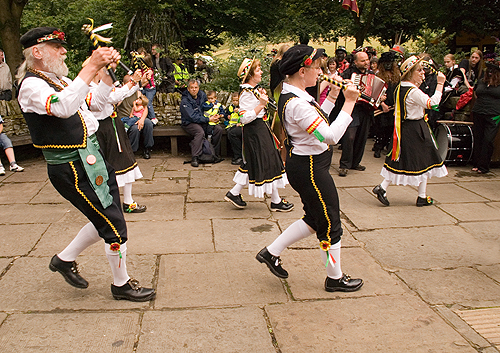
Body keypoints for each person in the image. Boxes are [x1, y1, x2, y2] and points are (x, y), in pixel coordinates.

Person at [16, 26, 155, 301]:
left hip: (92, 159)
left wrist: (102, 75)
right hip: (70, 167)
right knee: (113, 224)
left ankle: (64, 260)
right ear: (37, 52)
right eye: (57, 46)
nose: (64, 50)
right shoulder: (31, 85)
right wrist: (90, 66)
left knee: (107, 215)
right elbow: (62, 107)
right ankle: (121, 285)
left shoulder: (60, 80)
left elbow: (95, 104)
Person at [255, 44, 363, 292]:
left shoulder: (296, 96)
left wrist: (334, 97)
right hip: (311, 169)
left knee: (315, 219)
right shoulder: (297, 103)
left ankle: (271, 252)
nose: (320, 72)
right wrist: (349, 103)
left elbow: (316, 125)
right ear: (302, 71)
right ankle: (334, 278)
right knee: (331, 223)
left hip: (309, 165)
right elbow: (329, 136)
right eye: (316, 67)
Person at [372, 55, 448, 207]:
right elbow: (432, 104)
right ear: (409, 73)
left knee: (414, 160)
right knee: (422, 160)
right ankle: (414, 194)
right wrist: (440, 84)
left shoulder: (402, 87)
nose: (422, 73)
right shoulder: (413, 91)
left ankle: (418, 195)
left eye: (422, 70)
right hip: (415, 128)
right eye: (419, 70)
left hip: (408, 127)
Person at [224, 58, 293, 212]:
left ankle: (235, 193)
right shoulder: (246, 94)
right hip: (255, 131)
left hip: (260, 129)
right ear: (250, 75)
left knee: (262, 161)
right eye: (258, 70)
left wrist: (264, 101)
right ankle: (275, 201)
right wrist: (261, 105)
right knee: (267, 161)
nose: (261, 72)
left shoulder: (253, 91)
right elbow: (244, 118)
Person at [88, 65, 147, 213]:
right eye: (105, 71)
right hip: (102, 129)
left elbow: (119, 95)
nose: (109, 75)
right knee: (106, 166)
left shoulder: (101, 86)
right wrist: (133, 81)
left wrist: (139, 82)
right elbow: (114, 97)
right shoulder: (90, 88)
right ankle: (109, 203)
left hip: (112, 125)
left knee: (125, 160)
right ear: (97, 72)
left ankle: (127, 201)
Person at [337, 51, 374, 177]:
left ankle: (355, 162)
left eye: (367, 60)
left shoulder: (372, 75)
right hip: (352, 108)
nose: (366, 63)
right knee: (350, 136)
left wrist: (381, 97)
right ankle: (344, 164)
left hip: (366, 109)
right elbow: (341, 87)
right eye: (363, 61)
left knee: (362, 136)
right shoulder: (348, 73)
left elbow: (376, 91)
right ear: (356, 62)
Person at [180, 79, 223, 167]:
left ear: (198, 88)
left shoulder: (202, 95)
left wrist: (216, 116)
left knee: (218, 129)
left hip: (203, 120)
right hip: (189, 123)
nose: (194, 89)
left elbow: (211, 105)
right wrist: (208, 120)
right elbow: (192, 117)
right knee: (199, 132)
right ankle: (195, 157)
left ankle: (213, 154)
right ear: (188, 89)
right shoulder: (185, 101)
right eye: (192, 88)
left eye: (196, 87)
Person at [471, 57, 500, 174]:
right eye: (488, 70)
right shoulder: (482, 81)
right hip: (479, 112)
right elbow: (475, 92)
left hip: (494, 115)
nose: (489, 72)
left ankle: (484, 165)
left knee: (488, 139)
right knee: (478, 138)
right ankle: (477, 163)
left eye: (492, 70)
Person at [372, 51, 400, 158]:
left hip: (393, 107)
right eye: (386, 63)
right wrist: (382, 104)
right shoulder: (378, 76)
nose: (388, 65)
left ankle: (388, 147)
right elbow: (375, 92)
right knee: (381, 128)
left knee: (390, 128)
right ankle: (378, 147)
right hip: (381, 106)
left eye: (390, 63)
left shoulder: (397, 76)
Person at [225, 92, 243, 165]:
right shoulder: (231, 107)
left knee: (232, 133)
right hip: (231, 125)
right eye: (234, 100)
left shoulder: (242, 107)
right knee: (230, 132)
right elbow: (226, 114)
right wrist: (227, 116)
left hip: (241, 125)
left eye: (237, 100)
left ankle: (238, 156)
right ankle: (235, 155)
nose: (235, 102)